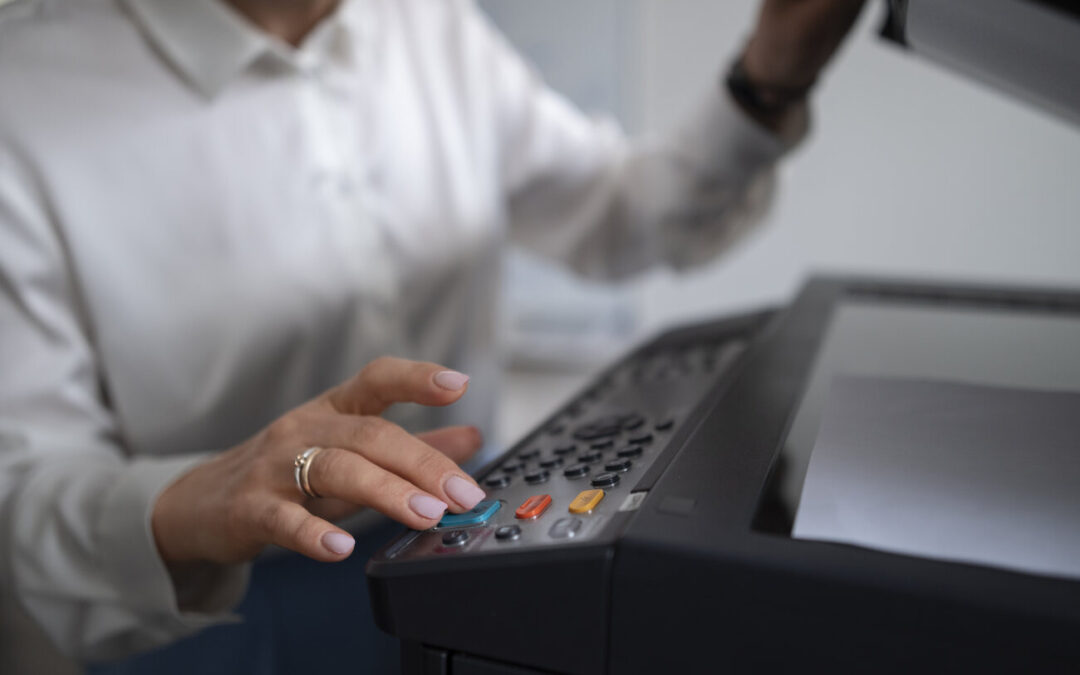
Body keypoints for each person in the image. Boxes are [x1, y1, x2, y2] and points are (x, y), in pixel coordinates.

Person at [0, 0, 864, 671]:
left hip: (474, 551)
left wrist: (769, 78)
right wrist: (205, 500)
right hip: (218, 615)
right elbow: (25, 497)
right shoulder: (24, 97)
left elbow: (619, 217)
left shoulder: (424, 20)